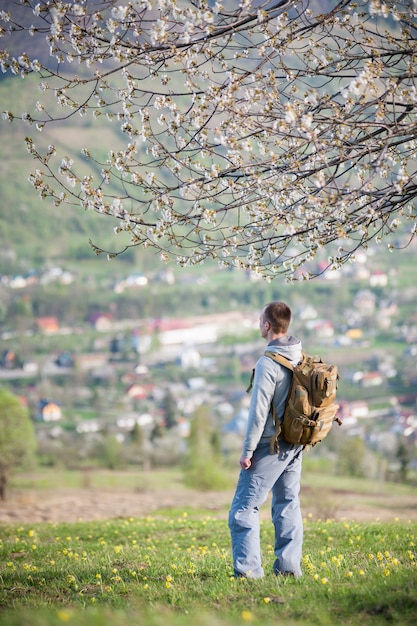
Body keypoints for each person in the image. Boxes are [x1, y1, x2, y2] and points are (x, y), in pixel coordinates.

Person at [228, 301, 304, 579]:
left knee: (243, 508)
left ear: (267, 325)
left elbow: (258, 413)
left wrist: (248, 450)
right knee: (287, 502)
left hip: (271, 444)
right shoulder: (298, 354)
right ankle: (288, 569)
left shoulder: (268, 363)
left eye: (260, 320)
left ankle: (249, 573)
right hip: (295, 442)